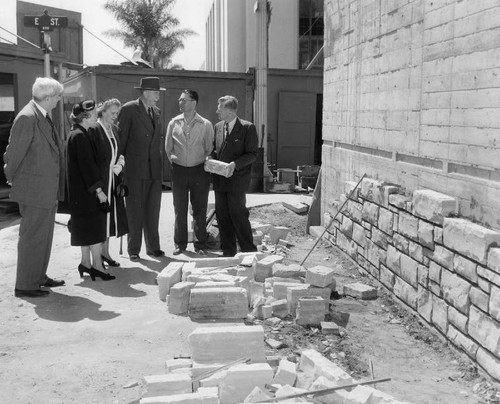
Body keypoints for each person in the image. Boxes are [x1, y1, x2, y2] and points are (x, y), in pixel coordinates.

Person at [4, 77, 66, 298]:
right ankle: (26, 284)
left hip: (45, 189)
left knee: (44, 236)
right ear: (48, 97)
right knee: (32, 237)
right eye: (58, 96)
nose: (59, 100)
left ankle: (38, 276)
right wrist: (12, 177)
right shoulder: (27, 118)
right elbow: (13, 154)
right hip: (34, 189)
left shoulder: (41, 115)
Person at [66, 100, 115, 282]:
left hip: (80, 193)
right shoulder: (81, 136)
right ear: (85, 117)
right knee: (94, 228)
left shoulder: (76, 134)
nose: (96, 115)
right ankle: (97, 266)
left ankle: (85, 263)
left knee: (85, 228)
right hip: (87, 193)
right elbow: (88, 168)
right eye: (94, 113)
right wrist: (100, 192)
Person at [118, 77, 165, 260]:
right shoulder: (129, 109)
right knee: (135, 210)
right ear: (145, 92)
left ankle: (153, 247)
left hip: (154, 169)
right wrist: (119, 167)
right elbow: (122, 140)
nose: (157, 96)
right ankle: (134, 249)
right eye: (155, 93)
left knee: (153, 210)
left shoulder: (157, 112)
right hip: (135, 169)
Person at [166, 90, 214, 256]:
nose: (180, 103)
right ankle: (180, 244)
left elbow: (209, 148)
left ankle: (200, 244)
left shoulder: (205, 124)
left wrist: (200, 162)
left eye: (184, 100)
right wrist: (177, 162)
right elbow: (168, 148)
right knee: (179, 208)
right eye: (179, 100)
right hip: (178, 170)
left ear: (194, 103)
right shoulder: (173, 123)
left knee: (199, 208)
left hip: (199, 170)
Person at [210, 95, 258, 257]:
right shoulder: (217, 127)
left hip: (237, 181)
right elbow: (215, 150)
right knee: (222, 216)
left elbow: (252, 154)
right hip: (219, 180)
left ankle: (249, 252)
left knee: (238, 215)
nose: (217, 111)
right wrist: (210, 159)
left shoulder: (247, 128)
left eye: (220, 108)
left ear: (229, 112)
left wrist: (235, 165)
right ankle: (228, 252)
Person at [94, 99, 128, 266]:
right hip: (101, 180)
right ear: (103, 111)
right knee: (101, 217)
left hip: (112, 179)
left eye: (117, 113)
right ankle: (98, 254)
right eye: (113, 113)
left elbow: (120, 151)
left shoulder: (114, 129)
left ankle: (105, 253)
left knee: (109, 217)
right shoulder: (95, 129)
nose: (115, 116)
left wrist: (120, 164)